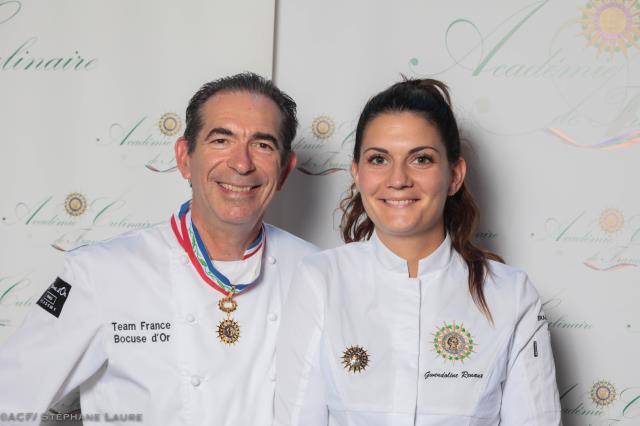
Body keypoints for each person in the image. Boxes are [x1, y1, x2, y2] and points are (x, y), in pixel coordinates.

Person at [0, 72, 318, 425]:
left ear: (285, 170)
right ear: (184, 157)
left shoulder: (315, 272)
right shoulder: (99, 273)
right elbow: (9, 399)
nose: (241, 164)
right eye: (221, 140)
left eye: (263, 144)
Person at [275, 78, 561, 425]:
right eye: (378, 159)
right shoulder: (321, 280)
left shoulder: (511, 294)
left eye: (421, 159)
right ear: (357, 174)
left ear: (454, 175)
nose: (398, 179)